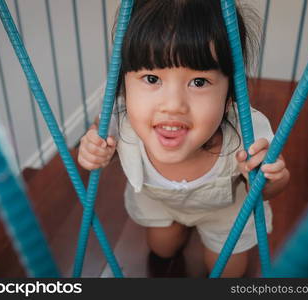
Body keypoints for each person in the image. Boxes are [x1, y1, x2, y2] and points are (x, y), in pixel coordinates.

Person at [78, 0, 290, 277]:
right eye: (152, 79)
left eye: (199, 82)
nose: (173, 104)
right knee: (162, 250)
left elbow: (272, 184)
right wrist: (93, 144)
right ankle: (178, 228)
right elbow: (99, 130)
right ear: (124, 84)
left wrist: (269, 177)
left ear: (229, 97)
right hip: (161, 205)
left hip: (224, 213)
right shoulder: (119, 117)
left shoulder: (246, 128)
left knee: (227, 272)